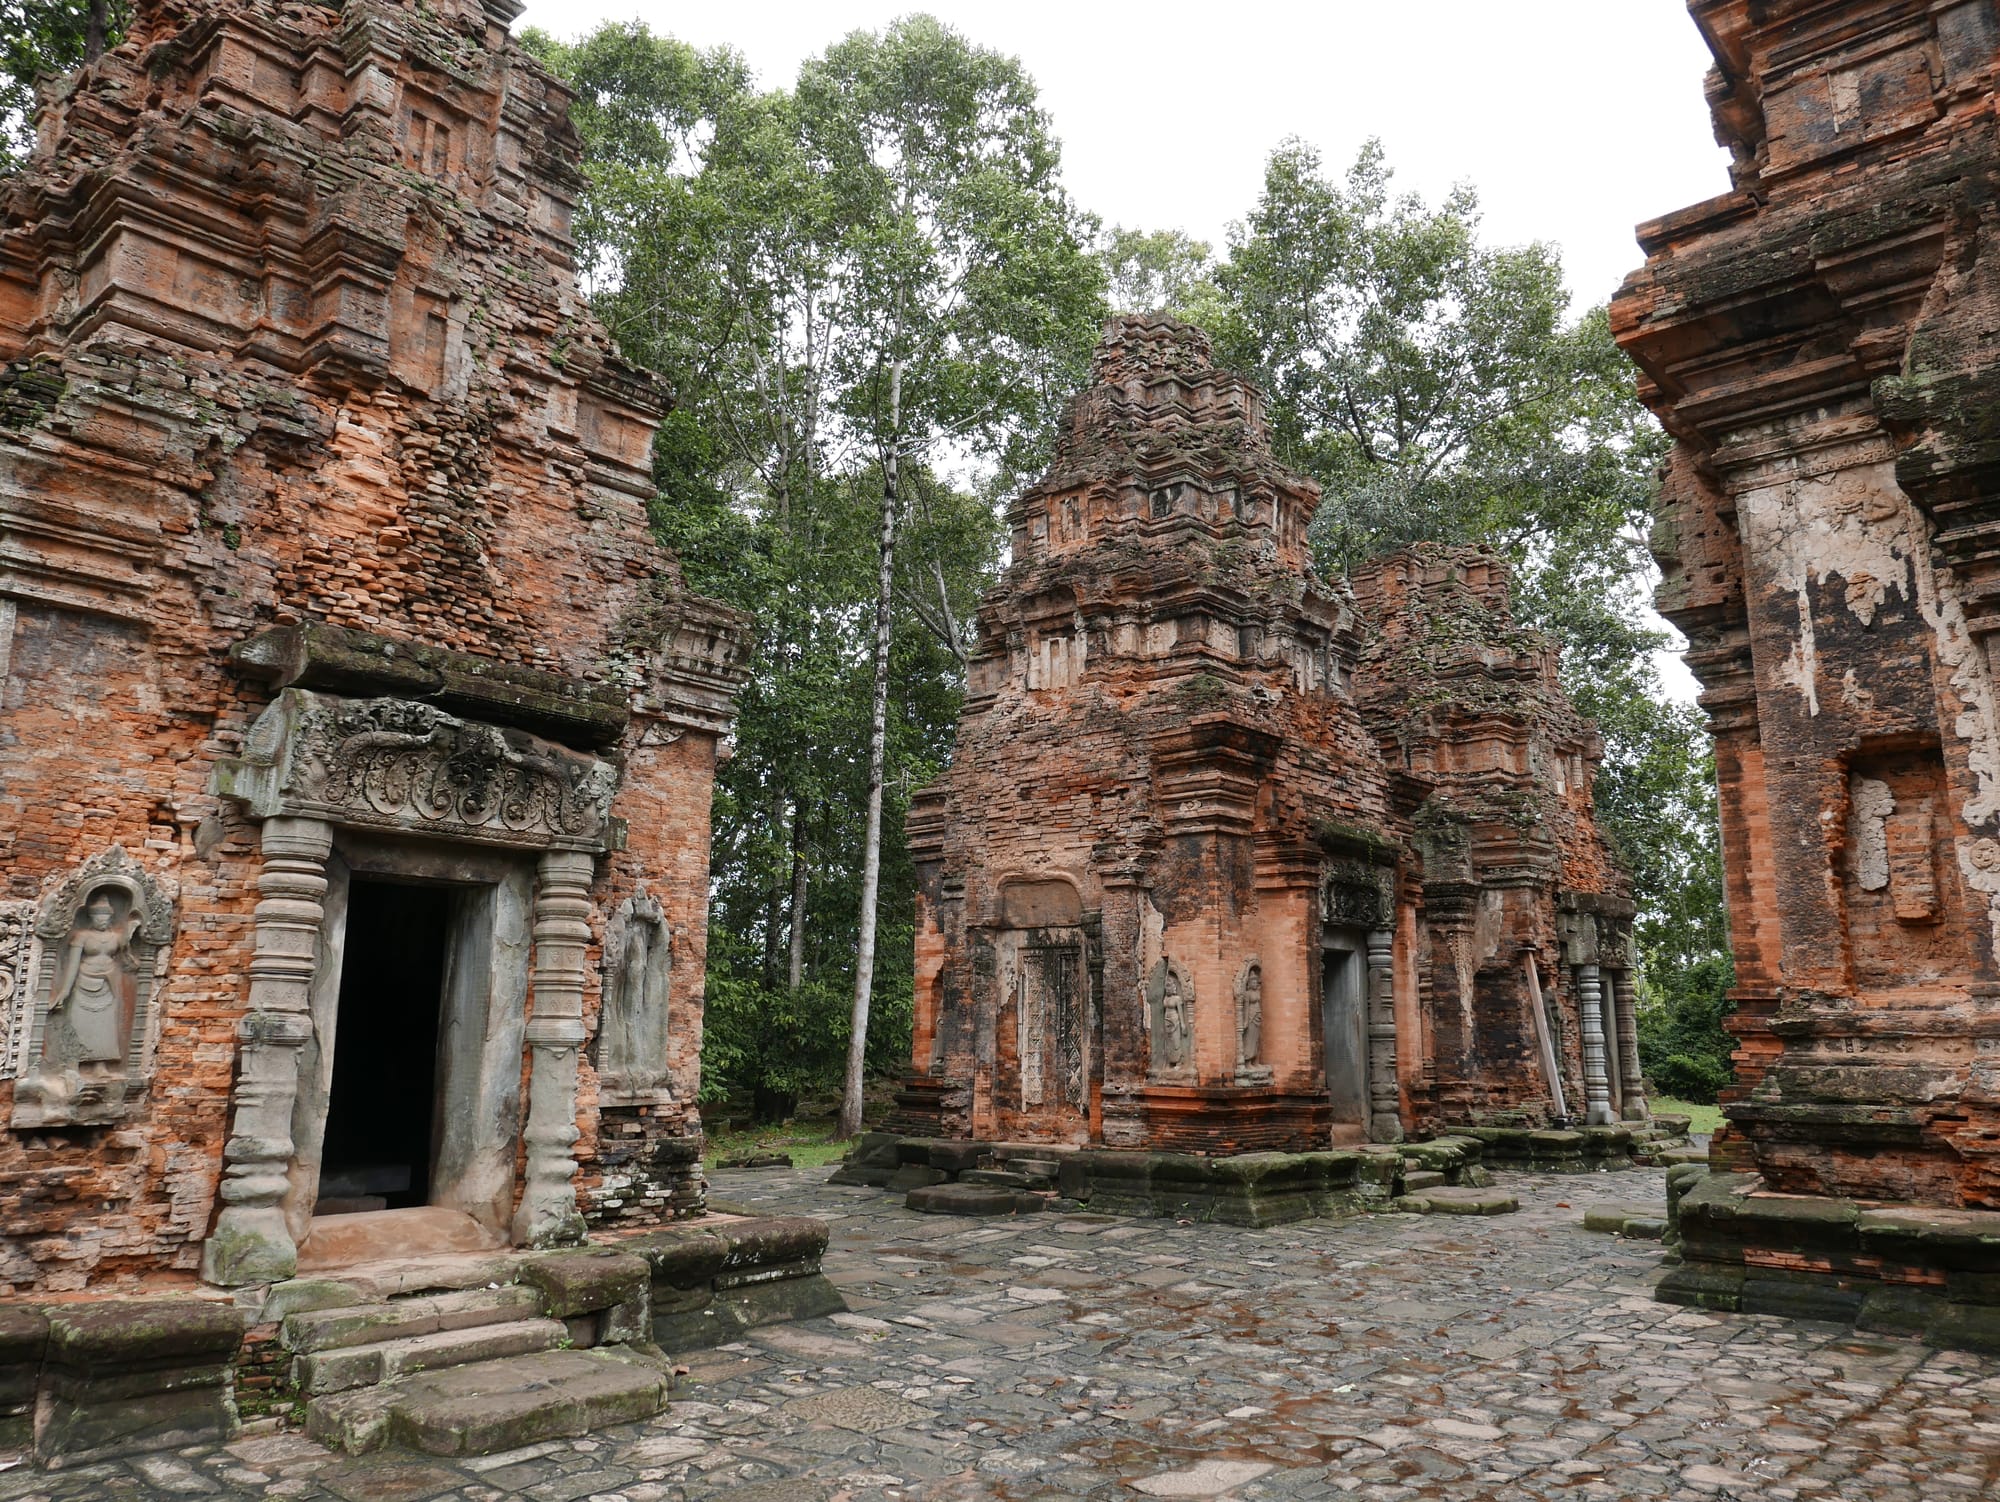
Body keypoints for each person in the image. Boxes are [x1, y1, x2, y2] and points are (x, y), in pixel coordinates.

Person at [46, 891, 137, 1081]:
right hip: (84, 981)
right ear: (91, 917)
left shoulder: (115, 937)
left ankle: (100, 1065)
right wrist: (64, 991)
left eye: (105, 917)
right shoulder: (82, 936)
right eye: (98, 917)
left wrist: (132, 928)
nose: (102, 921)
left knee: (105, 1026)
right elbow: (72, 965)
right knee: (79, 1022)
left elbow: (127, 953)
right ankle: (73, 1063)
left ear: (110, 917)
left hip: (108, 983)